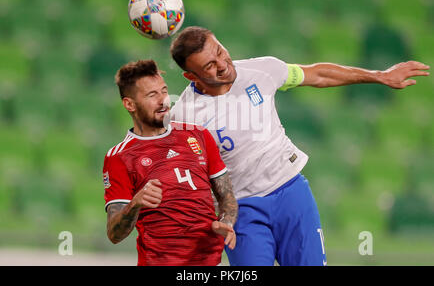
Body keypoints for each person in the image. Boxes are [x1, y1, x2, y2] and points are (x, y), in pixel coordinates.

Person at [169, 26, 430, 266]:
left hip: (290, 193)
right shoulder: (185, 117)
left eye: (220, 51)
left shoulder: (261, 70)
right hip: (242, 211)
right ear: (191, 76)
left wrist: (379, 76)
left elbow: (317, 74)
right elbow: (190, 180)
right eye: (210, 66)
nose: (223, 65)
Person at [102, 59, 238, 266]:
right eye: (152, 95)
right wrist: (135, 204)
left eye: (164, 91)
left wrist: (225, 222)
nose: (163, 100)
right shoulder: (119, 157)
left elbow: (227, 197)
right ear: (129, 104)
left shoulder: (199, 135)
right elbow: (114, 234)